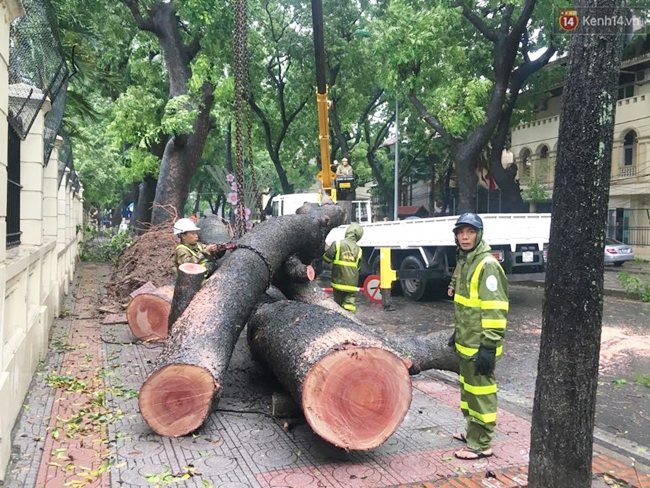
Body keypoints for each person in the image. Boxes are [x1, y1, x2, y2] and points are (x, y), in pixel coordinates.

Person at [447, 212, 508, 460]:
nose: (465, 236)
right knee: (469, 392)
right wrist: (458, 332)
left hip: (480, 345)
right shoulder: (465, 262)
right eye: (461, 232)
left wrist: (489, 346)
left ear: (479, 234)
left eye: (470, 231)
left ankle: (482, 444)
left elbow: (495, 309)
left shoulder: (487, 265)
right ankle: (472, 432)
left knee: (481, 393)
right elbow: (467, 306)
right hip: (467, 341)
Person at [323, 223, 363, 313]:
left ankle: (339, 321)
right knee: (350, 305)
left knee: (338, 304)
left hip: (338, 281)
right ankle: (351, 321)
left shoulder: (338, 244)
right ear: (359, 235)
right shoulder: (359, 250)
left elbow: (326, 259)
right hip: (352, 284)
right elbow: (358, 267)